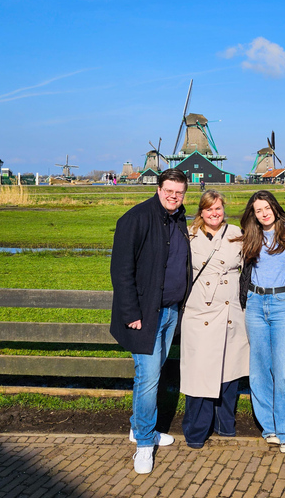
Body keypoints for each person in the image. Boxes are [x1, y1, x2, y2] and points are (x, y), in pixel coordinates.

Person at [110, 168, 191, 474]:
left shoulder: (178, 218)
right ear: (158, 189)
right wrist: (131, 314)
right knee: (149, 378)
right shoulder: (136, 218)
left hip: (170, 311)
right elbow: (121, 270)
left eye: (179, 192)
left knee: (152, 373)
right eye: (169, 191)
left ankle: (137, 427)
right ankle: (144, 444)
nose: (174, 196)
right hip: (145, 315)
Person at [237, 190, 285, 453]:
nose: (263, 213)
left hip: (282, 304)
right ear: (253, 214)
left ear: (275, 207)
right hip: (255, 304)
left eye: (267, 207)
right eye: (258, 210)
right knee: (259, 369)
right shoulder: (250, 235)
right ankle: (270, 427)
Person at [180, 190, 249, 448]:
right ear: (201, 211)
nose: (214, 213)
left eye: (218, 208)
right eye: (209, 209)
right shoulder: (188, 235)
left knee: (229, 371)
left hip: (230, 312)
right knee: (200, 373)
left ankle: (224, 424)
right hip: (200, 312)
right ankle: (197, 431)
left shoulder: (236, 234)